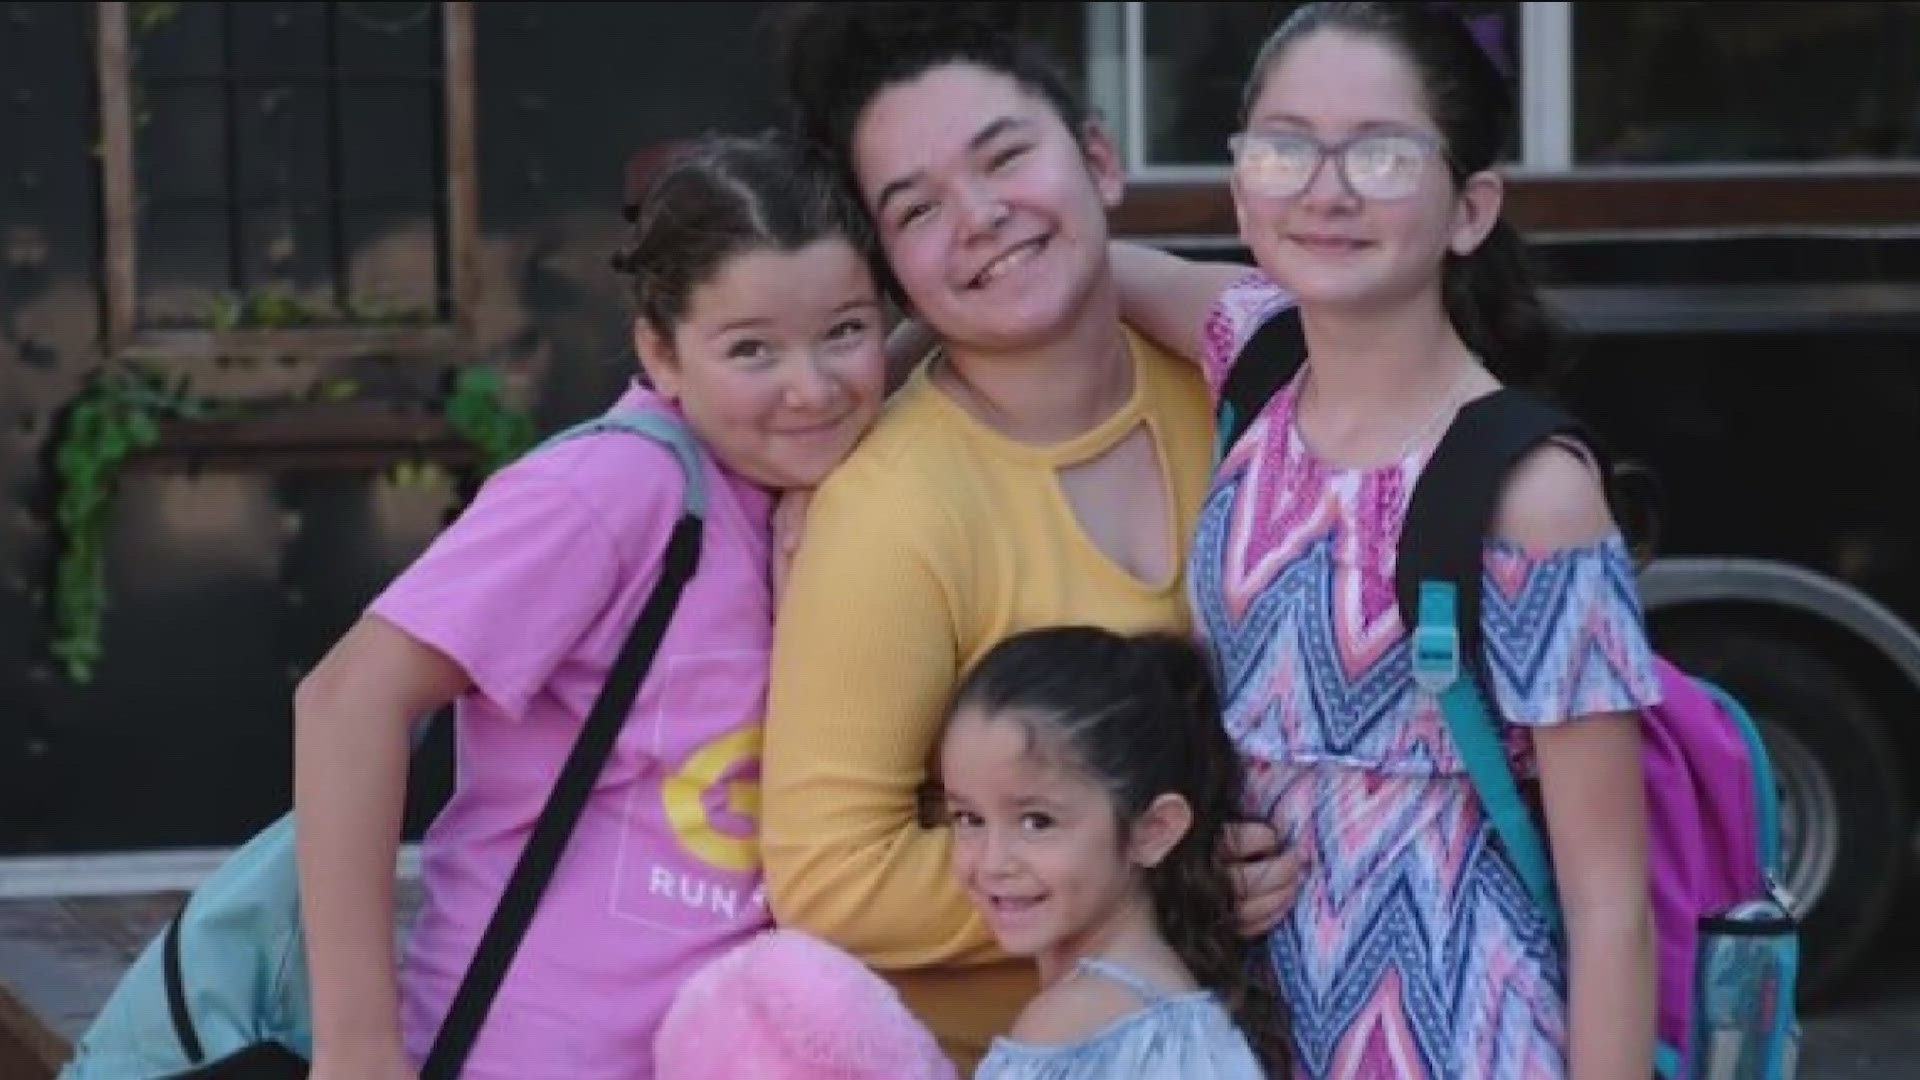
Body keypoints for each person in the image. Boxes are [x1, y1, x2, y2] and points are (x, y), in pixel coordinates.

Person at [1108, 4, 1661, 1077]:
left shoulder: (1533, 494)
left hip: (1460, 1037)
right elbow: (1077, 267)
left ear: (1470, 208)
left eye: (1382, 153)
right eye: (1285, 148)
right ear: (1240, 186)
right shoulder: (1254, 351)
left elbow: (1609, 908)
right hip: (1247, 1026)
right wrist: (875, 390)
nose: (1325, 188)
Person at [760, 4, 1301, 1069]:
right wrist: (1150, 874)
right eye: (916, 210)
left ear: (1099, 158)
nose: (979, 217)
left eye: (1005, 156)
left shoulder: (1234, 400)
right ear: (891, 269)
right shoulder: (896, 509)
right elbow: (829, 875)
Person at [292, 132, 891, 1080]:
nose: (811, 389)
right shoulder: (611, 488)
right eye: (750, 349)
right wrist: (358, 1050)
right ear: (661, 350)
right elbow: (346, 701)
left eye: (847, 332)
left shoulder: (829, 481)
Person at [940, 626, 1288, 1080]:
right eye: (968, 818)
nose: (991, 863)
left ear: (1153, 831)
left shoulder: (1067, 1030)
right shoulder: (1174, 999)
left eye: (1037, 822)